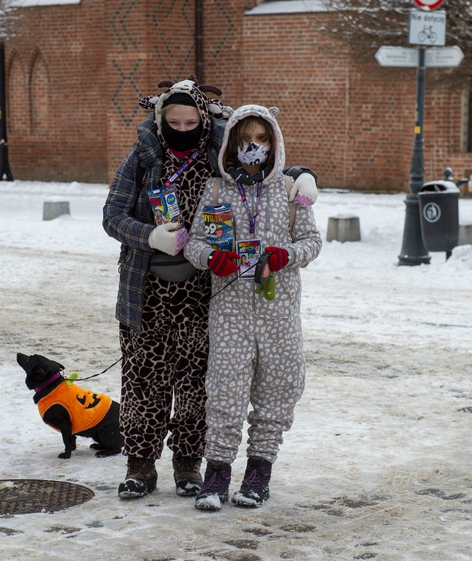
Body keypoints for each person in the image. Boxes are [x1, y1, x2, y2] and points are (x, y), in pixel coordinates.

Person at [103, 78, 318, 499]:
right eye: (173, 121)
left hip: (205, 292)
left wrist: (304, 175)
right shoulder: (143, 159)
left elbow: (267, 164)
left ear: (204, 122)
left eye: (190, 121)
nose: (181, 128)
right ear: (160, 119)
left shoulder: (212, 157)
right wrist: (149, 236)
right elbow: (112, 215)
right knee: (144, 380)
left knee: (197, 382)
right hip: (145, 287)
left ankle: (188, 464)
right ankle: (140, 465)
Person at [182, 104, 322, 510]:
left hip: (278, 309)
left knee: (278, 388)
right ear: (231, 145)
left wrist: (283, 256)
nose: (254, 148)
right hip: (230, 312)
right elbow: (192, 242)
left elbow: (312, 243)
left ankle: (259, 472)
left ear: (273, 143)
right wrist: (211, 258)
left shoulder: (291, 191)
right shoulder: (216, 190)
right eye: (245, 141)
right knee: (225, 392)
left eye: (261, 140)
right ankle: (217, 475)